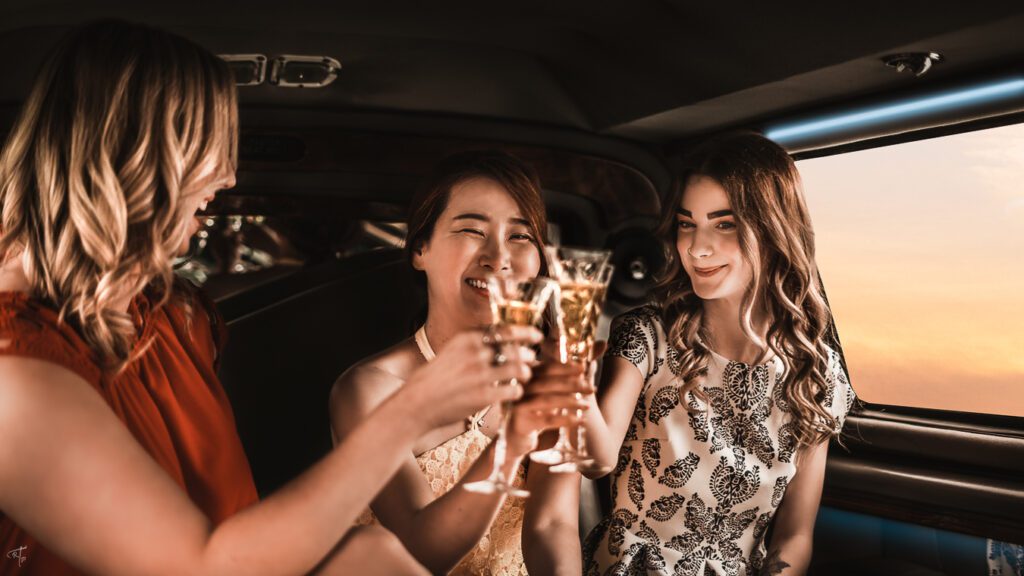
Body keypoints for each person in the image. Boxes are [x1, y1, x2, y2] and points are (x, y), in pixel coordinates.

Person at [0, 20, 539, 576]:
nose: (229, 175)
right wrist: (411, 411)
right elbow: (205, 563)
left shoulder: (169, 312)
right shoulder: (16, 374)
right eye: (208, 145)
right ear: (134, 151)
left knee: (370, 556)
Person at [576, 132, 856, 575]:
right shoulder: (646, 337)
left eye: (723, 224)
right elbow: (596, 459)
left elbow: (794, 536)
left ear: (772, 229)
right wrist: (565, 375)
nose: (697, 247)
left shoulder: (817, 373)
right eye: (687, 223)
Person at [330, 150, 588, 576]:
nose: (498, 257)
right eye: (472, 230)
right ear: (420, 250)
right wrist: (514, 440)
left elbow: (553, 526)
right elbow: (419, 550)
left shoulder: (549, 374)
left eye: (521, 236)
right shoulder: (370, 389)